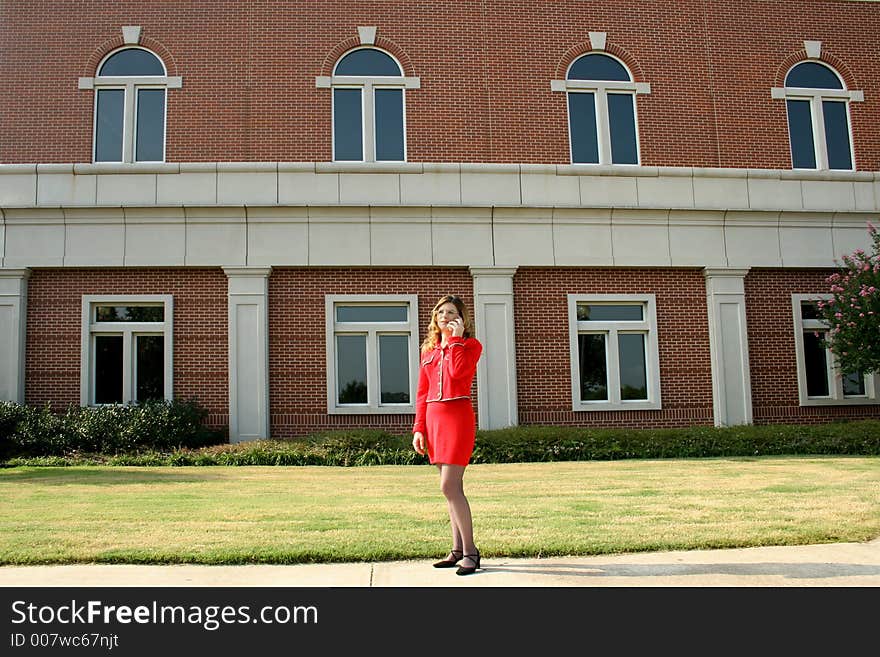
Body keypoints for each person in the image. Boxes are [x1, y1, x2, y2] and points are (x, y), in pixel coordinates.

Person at [412, 294, 484, 576]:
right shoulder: (427, 351)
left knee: (448, 486)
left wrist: (453, 341)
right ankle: (456, 550)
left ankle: (471, 552)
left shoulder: (470, 346)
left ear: (461, 318)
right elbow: (421, 392)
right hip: (433, 418)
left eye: (451, 311)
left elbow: (457, 374)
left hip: (458, 418)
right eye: (440, 311)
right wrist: (419, 428)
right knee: (452, 489)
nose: (444, 315)